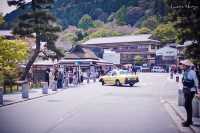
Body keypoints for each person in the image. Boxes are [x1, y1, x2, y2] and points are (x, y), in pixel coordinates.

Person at [180, 59, 199, 127]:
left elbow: (196, 81)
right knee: (187, 105)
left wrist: (198, 90)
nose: (182, 66)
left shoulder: (192, 72)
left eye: (183, 65)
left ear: (186, 66)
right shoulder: (185, 72)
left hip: (191, 90)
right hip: (186, 90)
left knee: (187, 105)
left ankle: (188, 121)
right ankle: (189, 120)